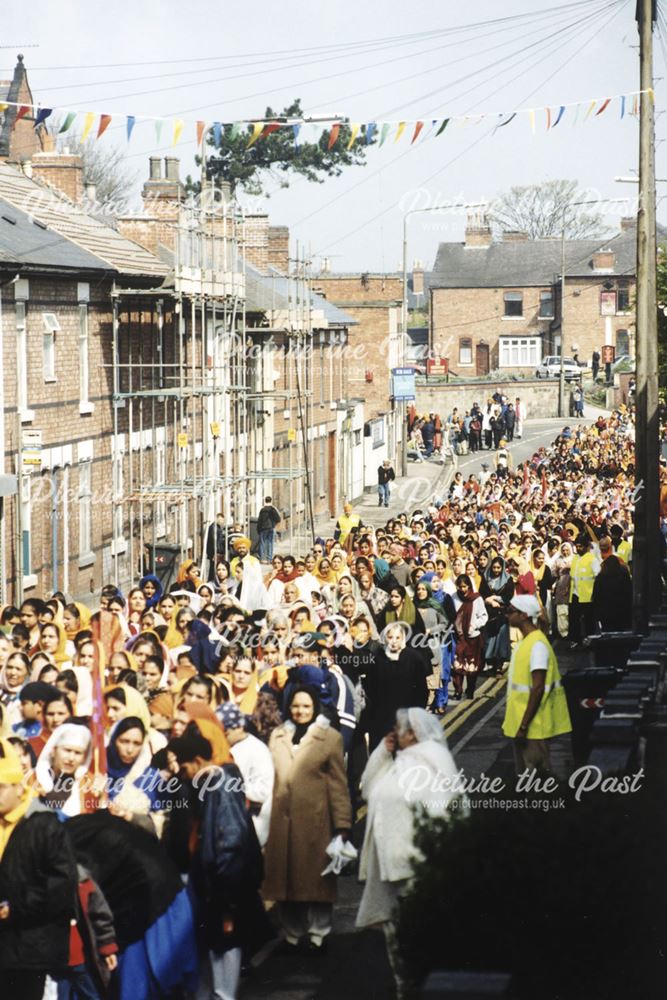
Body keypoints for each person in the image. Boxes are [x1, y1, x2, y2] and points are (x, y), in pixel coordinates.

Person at [356, 708, 461, 994]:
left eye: (397, 728)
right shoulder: (400, 760)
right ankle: (406, 985)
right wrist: (381, 751)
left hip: (416, 864)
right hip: (391, 864)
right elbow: (367, 789)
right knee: (395, 930)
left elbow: (443, 810)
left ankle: (419, 984)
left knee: (418, 931)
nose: (392, 731)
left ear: (412, 732)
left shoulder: (432, 760)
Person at [170, 718, 272, 999]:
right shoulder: (209, 783)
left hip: (225, 885)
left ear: (200, 760)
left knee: (224, 946)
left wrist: (226, 897)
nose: (184, 772)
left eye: (187, 766)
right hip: (215, 883)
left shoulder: (221, 785)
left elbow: (230, 842)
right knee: (213, 946)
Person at [263, 685, 352, 953]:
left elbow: (338, 785)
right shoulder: (277, 736)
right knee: (285, 883)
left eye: (306, 706)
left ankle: (318, 933)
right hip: (281, 822)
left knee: (317, 883)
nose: (300, 711)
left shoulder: (330, 738)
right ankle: (292, 933)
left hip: (316, 823)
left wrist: (343, 825)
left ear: (315, 708)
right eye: (295, 706)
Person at [0, 739, 78, 1000]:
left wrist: (16, 907)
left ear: (18, 788)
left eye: (1, 788)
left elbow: (61, 885)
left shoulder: (44, 826)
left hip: (28, 949)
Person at [502, 595, 571, 774]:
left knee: (535, 782)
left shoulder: (537, 646)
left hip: (533, 728)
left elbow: (538, 687)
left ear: (524, 615)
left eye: (510, 611)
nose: (506, 615)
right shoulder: (526, 643)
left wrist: (524, 726)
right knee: (526, 780)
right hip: (523, 725)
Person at [365, 623, 430, 749]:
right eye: (390, 637)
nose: (393, 642)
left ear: (403, 638)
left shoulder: (414, 658)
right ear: (385, 638)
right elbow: (370, 690)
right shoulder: (377, 659)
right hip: (381, 720)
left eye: (397, 638)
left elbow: (422, 691)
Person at [452, 574, 488, 700]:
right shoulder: (454, 597)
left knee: (471, 666)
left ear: (469, 586)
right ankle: (458, 690)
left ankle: (470, 689)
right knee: (457, 665)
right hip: (458, 636)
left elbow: (484, 616)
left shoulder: (476, 599)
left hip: (472, 637)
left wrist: (475, 625)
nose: (462, 589)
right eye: (460, 587)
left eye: (464, 586)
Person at [591, 554, 633, 631]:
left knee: (607, 630)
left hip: (605, 611)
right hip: (621, 610)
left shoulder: (600, 578)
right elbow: (629, 594)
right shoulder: (624, 577)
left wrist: (597, 612)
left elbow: (596, 596)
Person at [257, 497, 281, 564]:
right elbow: (278, 519)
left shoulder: (262, 510)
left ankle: (262, 558)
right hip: (270, 528)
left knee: (262, 543)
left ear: (265, 501)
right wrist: (273, 524)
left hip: (263, 528)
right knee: (270, 543)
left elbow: (259, 520)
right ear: (271, 501)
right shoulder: (272, 509)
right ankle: (269, 559)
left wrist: (258, 529)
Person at [206, 513, 227, 580]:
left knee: (214, 567)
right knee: (214, 567)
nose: (222, 522)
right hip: (214, 552)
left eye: (223, 520)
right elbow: (214, 541)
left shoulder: (217, 527)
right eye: (220, 520)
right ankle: (212, 580)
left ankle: (213, 579)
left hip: (216, 551)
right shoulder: (214, 528)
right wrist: (216, 552)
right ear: (217, 519)